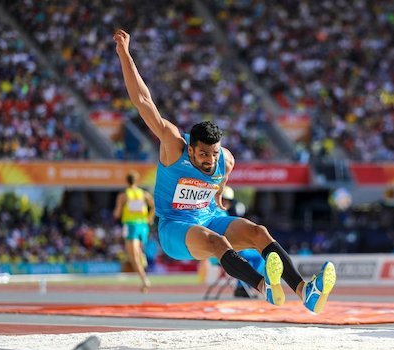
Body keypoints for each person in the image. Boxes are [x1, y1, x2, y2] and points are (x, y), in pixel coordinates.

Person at [113, 29, 336, 313]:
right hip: (173, 227)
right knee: (218, 242)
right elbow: (143, 101)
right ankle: (262, 286)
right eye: (203, 154)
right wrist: (124, 53)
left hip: (209, 216)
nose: (209, 160)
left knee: (258, 232)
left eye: (213, 153)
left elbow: (221, 179)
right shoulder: (173, 145)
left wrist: (217, 197)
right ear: (190, 149)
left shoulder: (225, 160)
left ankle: (306, 291)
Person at [113, 170, 155, 293]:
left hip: (131, 226)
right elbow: (153, 206)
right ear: (137, 181)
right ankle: (142, 255)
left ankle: (144, 280)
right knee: (138, 252)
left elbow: (117, 213)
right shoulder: (144, 194)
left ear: (126, 181)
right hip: (143, 226)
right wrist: (150, 217)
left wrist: (117, 213)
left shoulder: (123, 196)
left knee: (133, 257)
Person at [219, 186, 263, 298]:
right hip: (223, 252)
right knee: (260, 257)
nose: (226, 203)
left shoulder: (224, 214)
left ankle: (243, 286)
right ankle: (244, 286)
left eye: (228, 201)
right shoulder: (219, 215)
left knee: (254, 257)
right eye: (224, 200)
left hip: (226, 250)